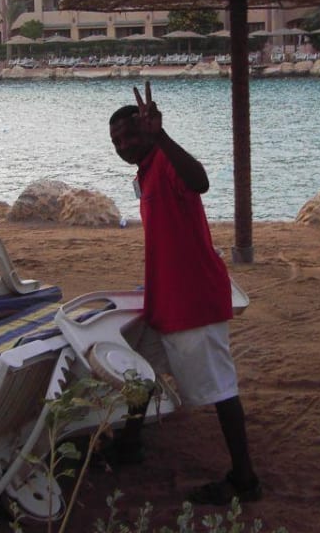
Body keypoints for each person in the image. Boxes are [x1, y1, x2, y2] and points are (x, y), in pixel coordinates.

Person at [105, 81, 261, 506]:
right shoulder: (145, 170)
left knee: (220, 388)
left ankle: (245, 480)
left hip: (192, 300)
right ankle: (130, 443)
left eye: (130, 135)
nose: (124, 144)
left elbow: (201, 181)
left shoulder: (167, 161)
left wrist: (162, 137)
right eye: (116, 140)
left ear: (148, 131)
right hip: (165, 298)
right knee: (137, 365)